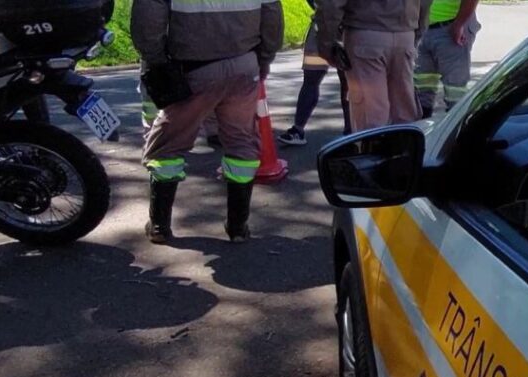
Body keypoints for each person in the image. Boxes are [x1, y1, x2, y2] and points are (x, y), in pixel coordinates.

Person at [131, 0, 283, 244]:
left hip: (192, 70)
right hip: (244, 67)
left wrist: (157, 61)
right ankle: (237, 226)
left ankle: (159, 225)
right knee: (242, 142)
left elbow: (147, 21)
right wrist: (264, 59)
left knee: (166, 146)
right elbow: (272, 16)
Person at [316, 0, 432, 132]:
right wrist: (417, 30)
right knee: (404, 113)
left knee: (371, 116)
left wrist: (326, 44)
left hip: (365, 33)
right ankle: (405, 148)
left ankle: (372, 149)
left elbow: (331, 4)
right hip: (405, 34)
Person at [279, 1, 351, 146]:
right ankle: (298, 129)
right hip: (324, 28)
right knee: (313, 77)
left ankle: (350, 132)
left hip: (341, 28)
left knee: (348, 82)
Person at [413, 0, 479, 119]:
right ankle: (423, 131)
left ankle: (457, 131)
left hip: (451, 28)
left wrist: (459, 24)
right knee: (422, 89)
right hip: (422, 28)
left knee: (455, 92)